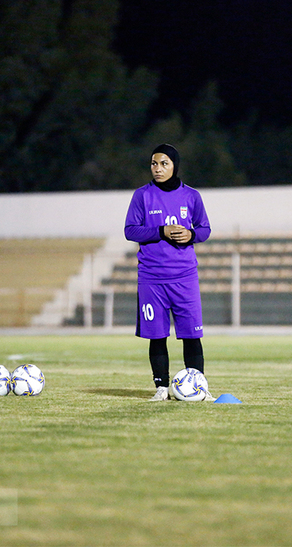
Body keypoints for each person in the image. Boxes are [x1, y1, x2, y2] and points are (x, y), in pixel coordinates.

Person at [124, 144, 214, 401]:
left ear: (175, 165)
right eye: (154, 163)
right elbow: (130, 230)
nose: (158, 168)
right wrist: (161, 231)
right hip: (151, 278)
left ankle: (198, 387)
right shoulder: (142, 196)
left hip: (184, 276)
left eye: (164, 163)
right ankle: (162, 388)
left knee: (192, 334)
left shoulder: (192, 196)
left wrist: (191, 234)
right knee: (157, 335)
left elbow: (205, 229)